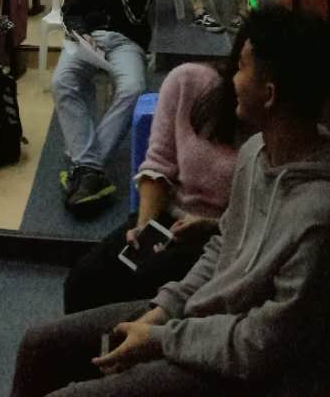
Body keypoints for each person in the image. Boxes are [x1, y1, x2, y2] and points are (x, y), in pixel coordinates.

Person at [11, 6, 330, 397]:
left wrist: (161, 339)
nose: (232, 78)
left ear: (269, 94)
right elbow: (223, 247)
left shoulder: (324, 219)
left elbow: (261, 348)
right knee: (41, 346)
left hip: (248, 375)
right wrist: (164, 310)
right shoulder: (257, 154)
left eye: (241, 68)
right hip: (200, 324)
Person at [63, 39, 245, 314]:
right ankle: (88, 167)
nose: (241, 77)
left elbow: (265, 215)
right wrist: (143, 225)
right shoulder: (188, 81)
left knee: (145, 285)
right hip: (168, 219)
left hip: (225, 236)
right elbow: (158, 165)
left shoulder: (272, 130)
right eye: (241, 65)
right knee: (83, 281)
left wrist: (211, 225)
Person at [54, 0, 157, 215]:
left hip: (126, 41)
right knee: (62, 82)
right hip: (87, 40)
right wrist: (82, 34)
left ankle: (86, 164)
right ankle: (92, 168)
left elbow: (134, 18)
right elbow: (70, 11)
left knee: (134, 88)